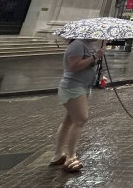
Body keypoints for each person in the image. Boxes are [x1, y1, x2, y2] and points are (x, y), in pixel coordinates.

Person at [50, 39, 105, 172]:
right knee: (81, 119)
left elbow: (87, 64)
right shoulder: (77, 45)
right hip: (73, 87)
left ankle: (58, 155)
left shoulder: (89, 45)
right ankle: (70, 157)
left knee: (69, 120)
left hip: (82, 86)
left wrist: (98, 57)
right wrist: (95, 56)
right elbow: (74, 66)